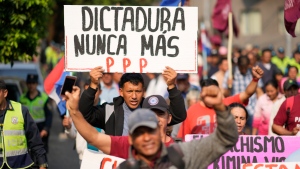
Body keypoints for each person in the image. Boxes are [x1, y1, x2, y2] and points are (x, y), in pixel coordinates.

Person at [64, 84, 238, 169]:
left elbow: (226, 138)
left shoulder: (182, 155)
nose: (147, 137)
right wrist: (73, 109)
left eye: (151, 130)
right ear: (131, 139)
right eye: (140, 133)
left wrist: (221, 108)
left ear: (161, 128)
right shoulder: (127, 165)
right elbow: (94, 137)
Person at [79, 66, 186, 136]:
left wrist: (172, 86)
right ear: (121, 92)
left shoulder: (151, 110)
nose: (134, 96)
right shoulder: (109, 111)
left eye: (138, 91)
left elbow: (179, 115)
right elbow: (85, 114)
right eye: (129, 91)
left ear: (143, 91)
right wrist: (93, 85)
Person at [64, 93, 175, 159]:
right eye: (150, 114)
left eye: (160, 114)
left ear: (169, 118)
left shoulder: (180, 150)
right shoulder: (131, 145)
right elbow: (94, 138)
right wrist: (74, 111)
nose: (155, 119)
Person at [177, 69, 262, 139]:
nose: (210, 96)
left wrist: (255, 79)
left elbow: (247, 94)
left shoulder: (226, 103)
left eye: (213, 93)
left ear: (219, 92)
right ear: (201, 94)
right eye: (207, 93)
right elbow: (183, 137)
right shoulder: (192, 110)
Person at [0, 80, 48, 169]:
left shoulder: (20, 110)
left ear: (5, 93)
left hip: (19, 164)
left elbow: (35, 140)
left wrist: (42, 164)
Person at [223, 57, 264, 134]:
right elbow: (224, 93)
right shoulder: (230, 73)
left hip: (251, 108)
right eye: (242, 67)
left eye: (245, 67)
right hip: (235, 109)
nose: (244, 69)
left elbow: (256, 91)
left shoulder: (252, 73)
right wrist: (229, 86)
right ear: (238, 65)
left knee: (254, 133)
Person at [19, 74, 52, 154]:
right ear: (27, 84)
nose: (31, 85)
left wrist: (46, 129)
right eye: (29, 83)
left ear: (37, 84)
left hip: (40, 129)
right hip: (27, 129)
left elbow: (49, 115)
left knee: (41, 154)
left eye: (33, 83)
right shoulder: (22, 98)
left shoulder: (44, 98)